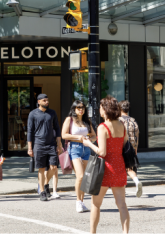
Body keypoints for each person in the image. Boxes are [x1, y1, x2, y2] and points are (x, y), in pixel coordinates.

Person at [83, 96, 129, 234]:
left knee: (96, 204)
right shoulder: (122, 125)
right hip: (119, 166)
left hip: (103, 169)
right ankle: (126, 234)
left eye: (101, 108)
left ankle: (93, 234)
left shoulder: (103, 127)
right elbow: (125, 145)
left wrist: (88, 143)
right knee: (122, 205)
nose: (99, 110)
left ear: (106, 109)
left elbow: (102, 152)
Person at [61, 100, 97, 212]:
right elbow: (64, 135)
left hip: (86, 149)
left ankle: (81, 202)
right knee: (80, 176)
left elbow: (94, 136)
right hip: (74, 149)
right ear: (74, 109)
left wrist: (89, 139)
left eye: (82, 107)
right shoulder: (69, 120)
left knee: (85, 178)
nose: (81, 109)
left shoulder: (87, 121)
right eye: (78, 107)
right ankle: (78, 201)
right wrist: (79, 138)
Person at [27, 93, 63, 202]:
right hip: (39, 145)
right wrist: (30, 148)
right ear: (38, 102)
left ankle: (46, 183)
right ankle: (42, 191)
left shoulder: (52, 113)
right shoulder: (33, 114)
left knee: (54, 167)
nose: (46, 102)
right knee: (41, 168)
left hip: (51, 144)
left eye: (47, 100)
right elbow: (30, 131)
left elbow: (57, 128)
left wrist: (59, 144)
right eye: (44, 100)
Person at [119, 100, 142, 198]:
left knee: (121, 169)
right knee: (129, 168)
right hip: (131, 147)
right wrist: (135, 148)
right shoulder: (133, 120)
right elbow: (137, 135)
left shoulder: (118, 120)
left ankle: (122, 192)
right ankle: (137, 182)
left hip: (121, 147)